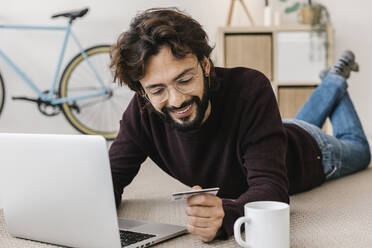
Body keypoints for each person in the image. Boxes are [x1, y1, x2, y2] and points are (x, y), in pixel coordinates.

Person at [109, 8, 371, 242]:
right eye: (157, 90)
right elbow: (110, 179)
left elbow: (272, 189)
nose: (176, 100)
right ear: (142, 92)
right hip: (266, 132)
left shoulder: (250, 88)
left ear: (205, 64)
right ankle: (330, 84)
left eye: (185, 79)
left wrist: (227, 214)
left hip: (313, 149)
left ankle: (335, 81)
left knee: (360, 149)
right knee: (288, 124)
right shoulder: (141, 113)